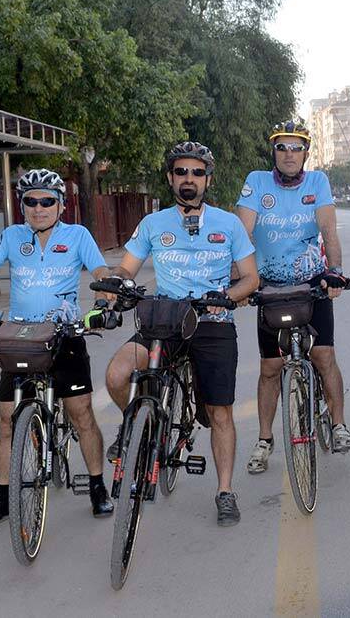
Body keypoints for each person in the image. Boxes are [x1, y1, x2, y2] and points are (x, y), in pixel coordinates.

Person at [102, 141, 259, 526]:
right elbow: (127, 269)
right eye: (181, 172)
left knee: (220, 412)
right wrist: (115, 284)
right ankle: (137, 426)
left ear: (208, 179)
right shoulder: (153, 224)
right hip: (165, 320)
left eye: (197, 172)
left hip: (212, 322)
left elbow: (251, 278)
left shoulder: (229, 224)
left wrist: (227, 297)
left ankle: (224, 491)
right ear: (170, 178)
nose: (189, 179)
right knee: (117, 374)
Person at [0, 168, 114, 531]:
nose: (39, 208)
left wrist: (102, 305)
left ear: (60, 205)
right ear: (22, 205)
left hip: (65, 333)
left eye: (47, 201)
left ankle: (96, 485)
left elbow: (102, 273)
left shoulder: (77, 236)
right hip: (21, 337)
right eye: (31, 201)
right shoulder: (11, 237)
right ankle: (2, 498)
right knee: (7, 419)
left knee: (82, 412)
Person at [236, 119, 350, 476]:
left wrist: (334, 271)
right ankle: (265, 439)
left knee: (324, 355)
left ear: (306, 152)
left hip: (311, 283)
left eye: (296, 147)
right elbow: (243, 233)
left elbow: (329, 231)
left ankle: (337, 424)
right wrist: (241, 281)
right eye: (282, 147)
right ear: (274, 151)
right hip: (268, 285)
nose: (289, 154)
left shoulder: (317, 182)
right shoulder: (256, 182)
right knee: (271, 367)